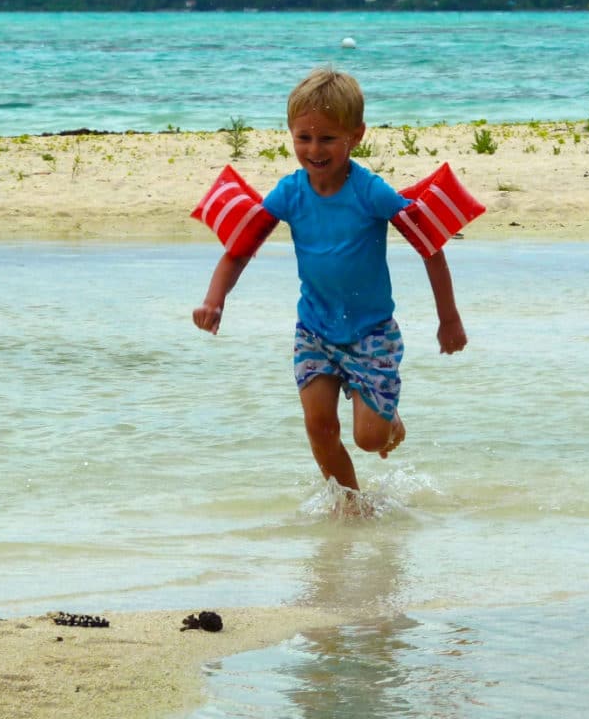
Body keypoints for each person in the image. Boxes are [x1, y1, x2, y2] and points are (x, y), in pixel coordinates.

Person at [192, 67, 467, 499]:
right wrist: (215, 301)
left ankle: (389, 423)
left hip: (371, 333)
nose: (314, 149)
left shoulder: (370, 192)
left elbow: (430, 246)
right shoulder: (289, 192)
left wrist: (448, 320)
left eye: (327, 139)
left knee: (370, 439)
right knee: (319, 427)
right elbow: (240, 248)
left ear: (355, 136)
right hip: (314, 331)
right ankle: (351, 507)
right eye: (304, 138)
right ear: (290, 134)